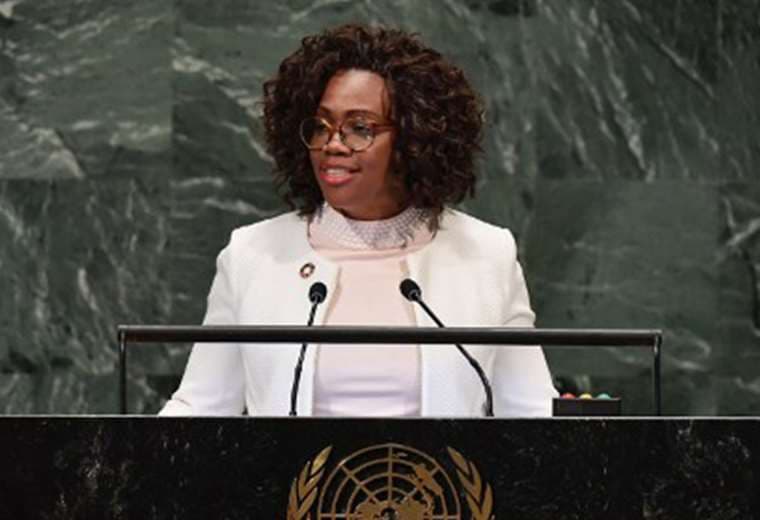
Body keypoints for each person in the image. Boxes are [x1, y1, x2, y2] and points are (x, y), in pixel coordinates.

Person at [160, 23, 557, 417]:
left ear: (413, 139)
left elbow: (533, 415)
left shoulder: (487, 255)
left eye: (359, 128)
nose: (333, 144)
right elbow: (199, 409)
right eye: (320, 126)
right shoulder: (252, 255)